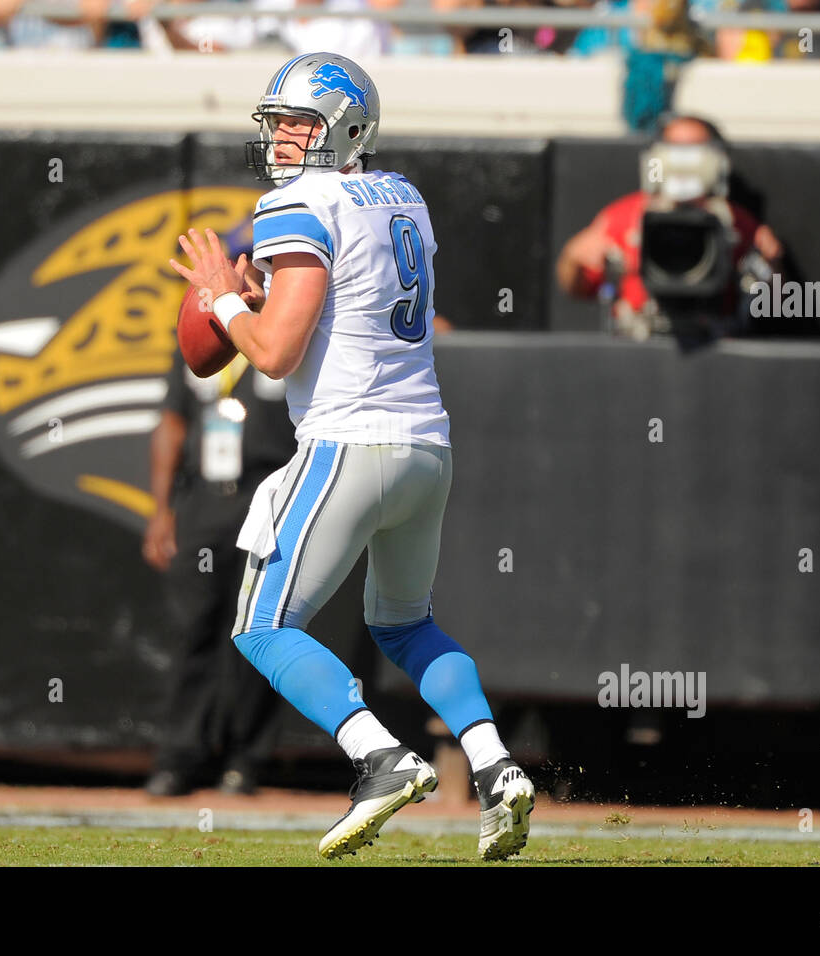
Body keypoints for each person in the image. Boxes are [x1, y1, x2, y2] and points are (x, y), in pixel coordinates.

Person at [169, 51, 535, 860]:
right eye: (279, 124)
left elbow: (271, 354)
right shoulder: (404, 195)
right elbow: (343, 309)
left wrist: (223, 296)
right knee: (405, 625)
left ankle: (379, 755)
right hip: (425, 447)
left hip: (349, 441)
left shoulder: (297, 202)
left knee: (261, 628)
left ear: (345, 127)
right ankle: (495, 765)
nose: (283, 140)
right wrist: (257, 298)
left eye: (299, 124)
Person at [142, 328, 296, 796]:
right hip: (207, 498)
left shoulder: (291, 328)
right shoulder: (198, 336)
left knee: (258, 627)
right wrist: (160, 509)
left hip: (270, 491)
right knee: (194, 627)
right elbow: (172, 423)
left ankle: (245, 759)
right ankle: (179, 756)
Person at [556, 113, 787, 341]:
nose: (683, 160)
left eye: (696, 148)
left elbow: (775, 303)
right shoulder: (624, 217)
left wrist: (772, 267)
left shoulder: (735, 222)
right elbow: (576, 287)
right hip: (639, 344)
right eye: (674, 148)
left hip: (712, 344)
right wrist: (574, 258)